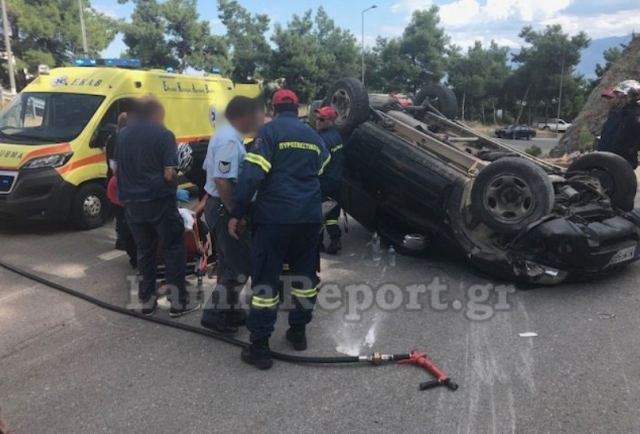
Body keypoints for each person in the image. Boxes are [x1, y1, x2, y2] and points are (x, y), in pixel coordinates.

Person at [228, 89, 330, 369]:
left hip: (275, 218)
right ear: (297, 109)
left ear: (274, 108)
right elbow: (321, 168)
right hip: (308, 218)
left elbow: (252, 176)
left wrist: (238, 212)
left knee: (266, 280)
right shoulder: (314, 137)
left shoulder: (269, 133)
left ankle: (260, 346)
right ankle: (298, 332)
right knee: (305, 277)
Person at [115, 97, 200, 317]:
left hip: (132, 204)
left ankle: (146, 302)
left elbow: (117, 171)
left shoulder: (122, 135)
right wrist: (173, 188)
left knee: (145, 251)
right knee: (173, 249)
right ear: (155, 114)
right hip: (159, 201)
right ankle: (178, 303)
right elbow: (170, 173)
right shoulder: (164, 135)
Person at [199, 96, 261, 334]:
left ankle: (231, 310)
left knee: (229, 262)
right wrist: (236, 212)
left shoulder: (225, 135)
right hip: (225, 208)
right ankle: (215, 314)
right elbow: (222, 179)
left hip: (219, 206)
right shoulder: (229, 141)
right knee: (239, 265)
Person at [315, 106, 344, 254]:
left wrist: (313, 175)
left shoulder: (322, 139)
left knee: (318, 213)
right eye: (317, 118)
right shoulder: (337, 135)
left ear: (330, 121)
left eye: (321, 119)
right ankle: (335, 239)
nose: (317, 122)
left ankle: (318, 243)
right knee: (332, 213)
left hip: (323, 181)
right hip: (337, 180)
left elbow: (322, 162)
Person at [598, 80, 640, 169]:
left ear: (629, 96)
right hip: (615, 159)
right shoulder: (626, 113)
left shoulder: (634, 115)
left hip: (622, 161)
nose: (619, 99)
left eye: (621, 96)